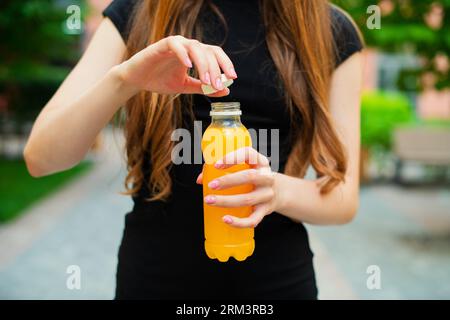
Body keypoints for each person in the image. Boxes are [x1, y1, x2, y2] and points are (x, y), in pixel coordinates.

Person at [24, 0, 364, 299]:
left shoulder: (329, 28)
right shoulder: (140, 9)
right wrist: (124, 82)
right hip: (152, 283)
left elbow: (342, 200)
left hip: (277, 286)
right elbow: (41, 158)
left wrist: (276, 191)